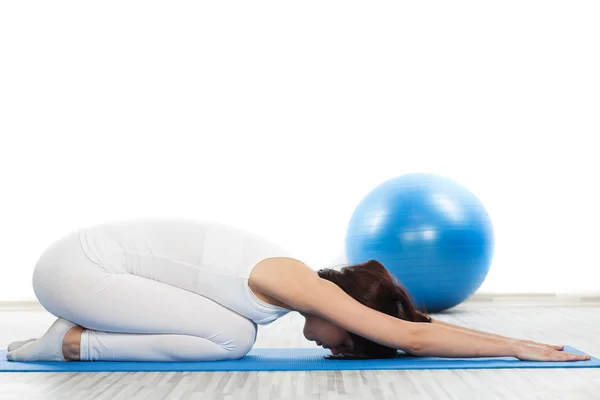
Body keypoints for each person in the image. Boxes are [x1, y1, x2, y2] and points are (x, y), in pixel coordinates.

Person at [5, 218, 590, 363]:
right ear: (351, 310)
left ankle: (70, 337)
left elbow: (416, 325)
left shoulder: (291, 284)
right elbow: (405, 331)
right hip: (76, 269)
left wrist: (510, 337)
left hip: (83, 268)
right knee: (231, 338)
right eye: (352, 340)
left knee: (236, 333)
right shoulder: (298, 283)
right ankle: (63, 345)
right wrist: (518, 346)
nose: (337, 348)